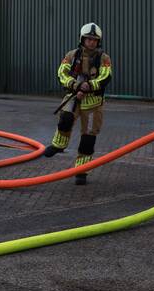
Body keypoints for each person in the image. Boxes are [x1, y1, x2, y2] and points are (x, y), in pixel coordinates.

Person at [43, 23, 113, 185]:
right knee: (65, 118)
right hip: (74, 97)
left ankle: (81, 171)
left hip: (94, 103)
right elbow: (61, 72)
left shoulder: (104, 58)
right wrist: (75, 85)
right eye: (88, 39)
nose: (91, 42)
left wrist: (91, 85)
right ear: (82, 39)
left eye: (94, 40)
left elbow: (106, 76)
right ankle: (59, 145)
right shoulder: (72, 55)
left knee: (88, 138)